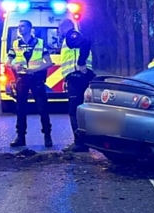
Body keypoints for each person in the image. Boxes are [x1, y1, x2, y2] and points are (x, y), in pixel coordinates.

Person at [8, 19, 53, 148]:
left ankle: (47, 136)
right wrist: (14, 65)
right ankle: (20, 137)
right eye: (19, 26)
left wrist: (35, 69)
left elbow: (49, 62)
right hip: (22, 79)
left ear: (29, 28)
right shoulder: (16, 44)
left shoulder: (39, 42)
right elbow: (7, 62)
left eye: (22, 26)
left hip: (36, 78)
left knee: (42, 107)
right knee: (20, 108)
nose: (20, 28)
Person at [56, 18, 94, 152]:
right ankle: (82, 142)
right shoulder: (70, 38)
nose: (59, 31)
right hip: (76, 77)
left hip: (78, 77)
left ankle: (79, 143)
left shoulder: (71, 35)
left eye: (59, 29)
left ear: (64, 28)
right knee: (79, 110)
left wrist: (81, 62)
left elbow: (86, 42)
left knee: (74, 110)